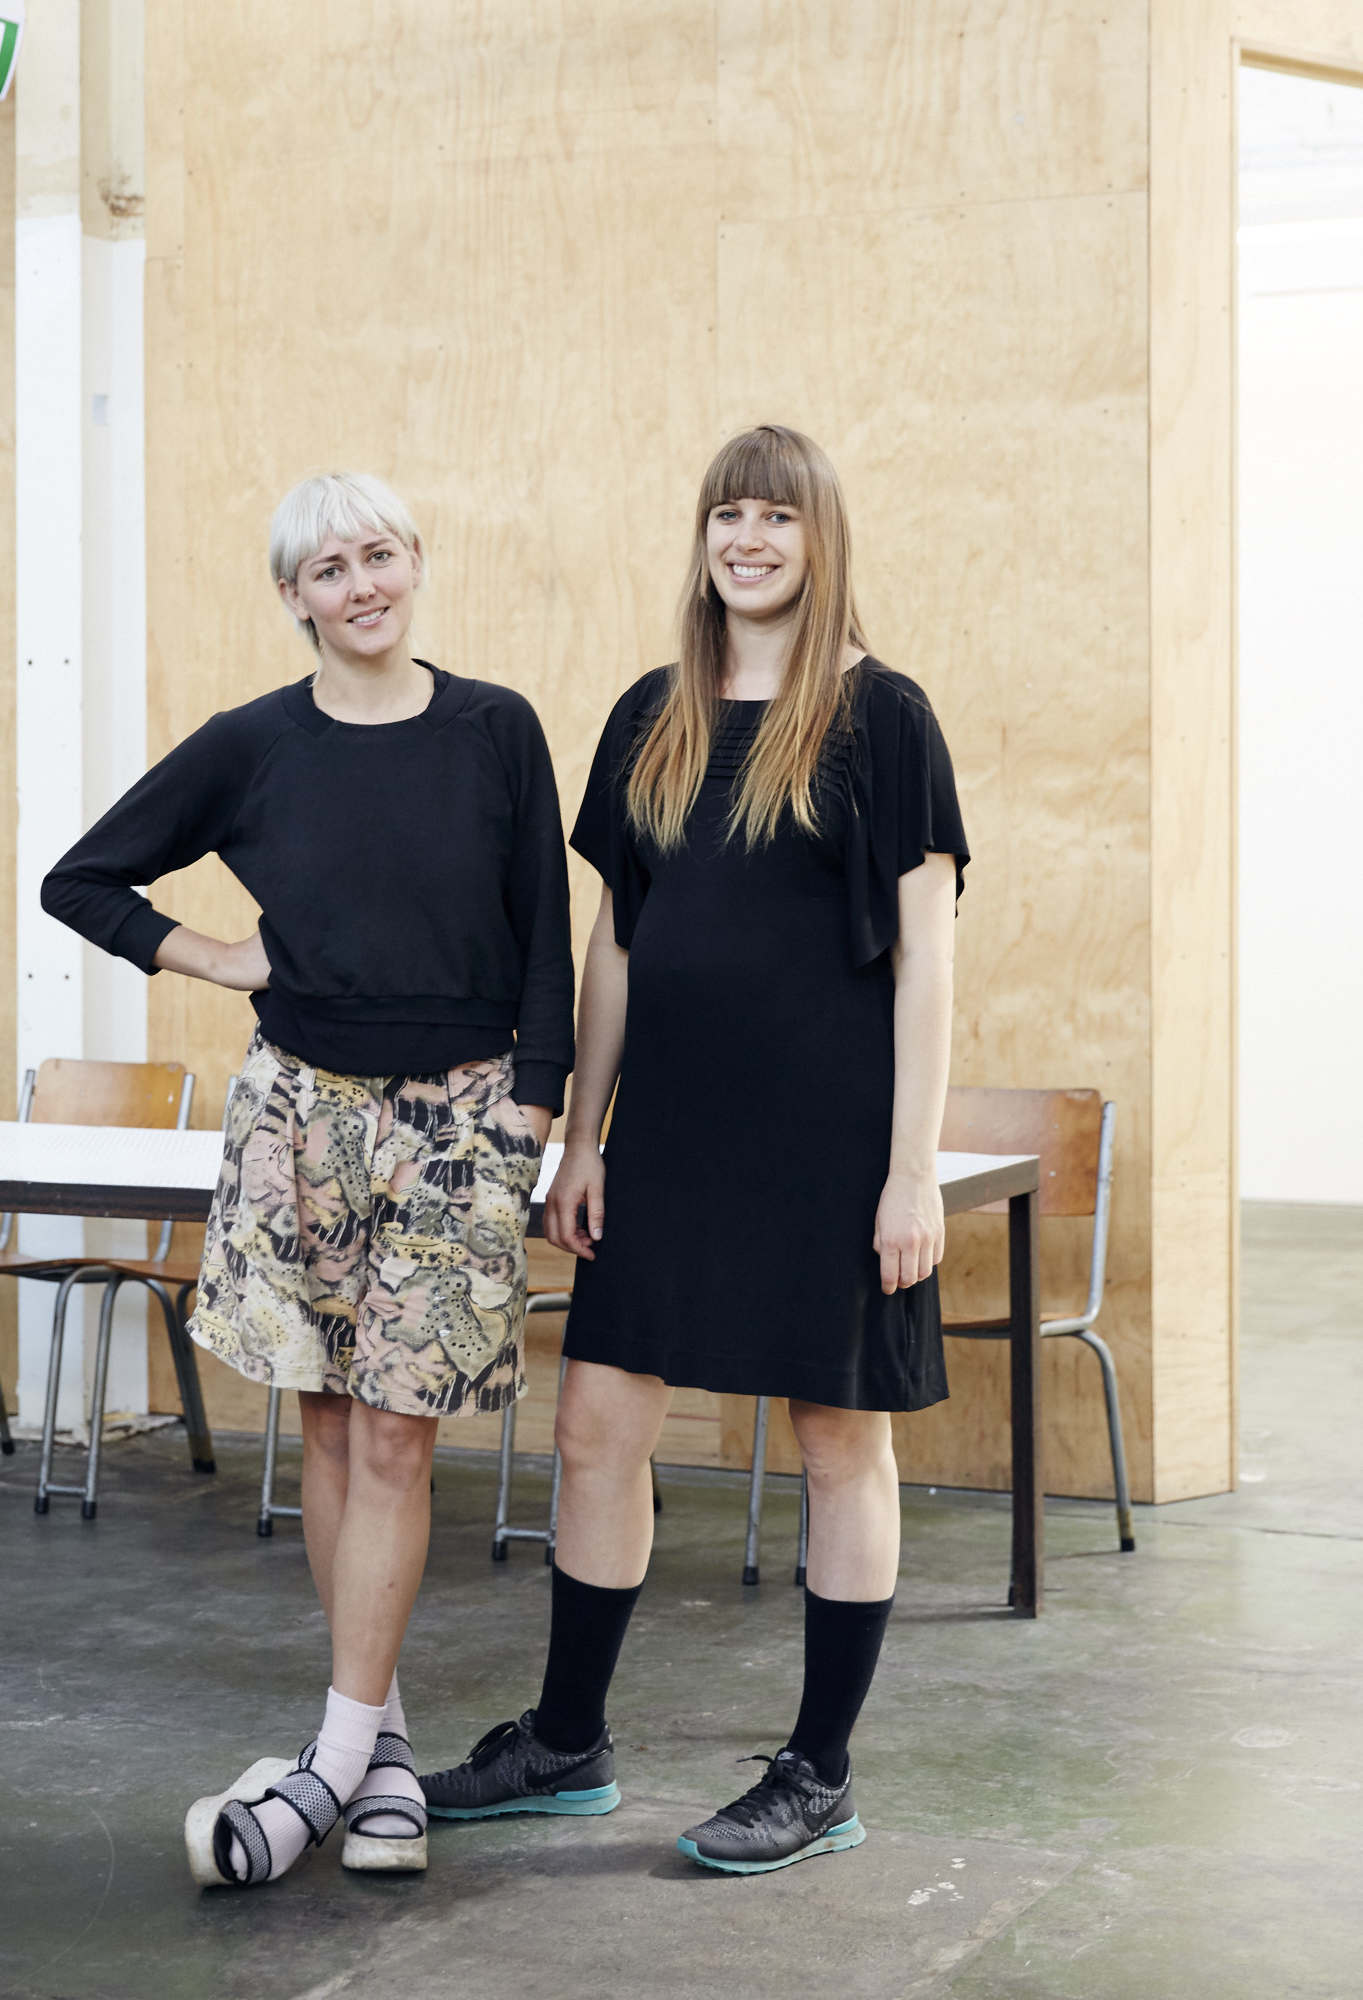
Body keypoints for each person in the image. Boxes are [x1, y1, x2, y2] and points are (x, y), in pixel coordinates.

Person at [421, 425, 968, 1873]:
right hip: (669, 1138)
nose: (749, 539)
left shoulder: (883, 717)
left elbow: (927, 961)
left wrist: (912, 1167)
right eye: (728, 513)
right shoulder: (650, 715)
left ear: (820, 539)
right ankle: (567, 1740)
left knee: (837, 1443)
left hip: (832, 1146)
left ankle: (821, 1771)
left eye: (777, 517)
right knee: (596, 1425)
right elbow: (617, 944)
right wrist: (583, 1135)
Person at [41, 472, 573, 1886]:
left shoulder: (497, 729)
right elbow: (82, 879)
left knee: (402, 1435)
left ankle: (329, 1767)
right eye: (328, 569)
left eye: (380, 556)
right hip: (300, 1117)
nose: (361, 586)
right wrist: (214, 958)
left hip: (460, 1118)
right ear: (295, 599)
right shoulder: (254, 745)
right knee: (333, 1429)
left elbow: (545, 939)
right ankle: (379, 1748)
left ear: (418, 565)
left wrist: (534, 1108)